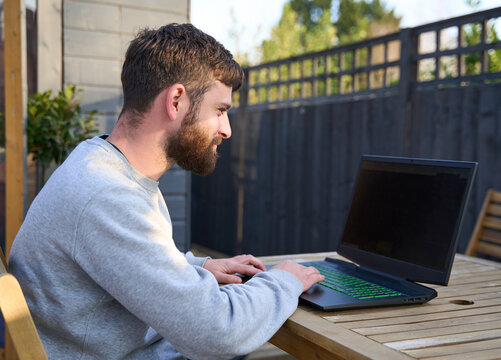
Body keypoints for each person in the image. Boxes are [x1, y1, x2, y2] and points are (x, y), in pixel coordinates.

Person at [9, 23, 324, 360]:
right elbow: (219, 331)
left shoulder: (101, 162)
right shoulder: (106, 195)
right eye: (220, 111)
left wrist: (194, 267)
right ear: (176, 100)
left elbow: (124, 260)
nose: (227, 130)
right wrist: (284, 281)